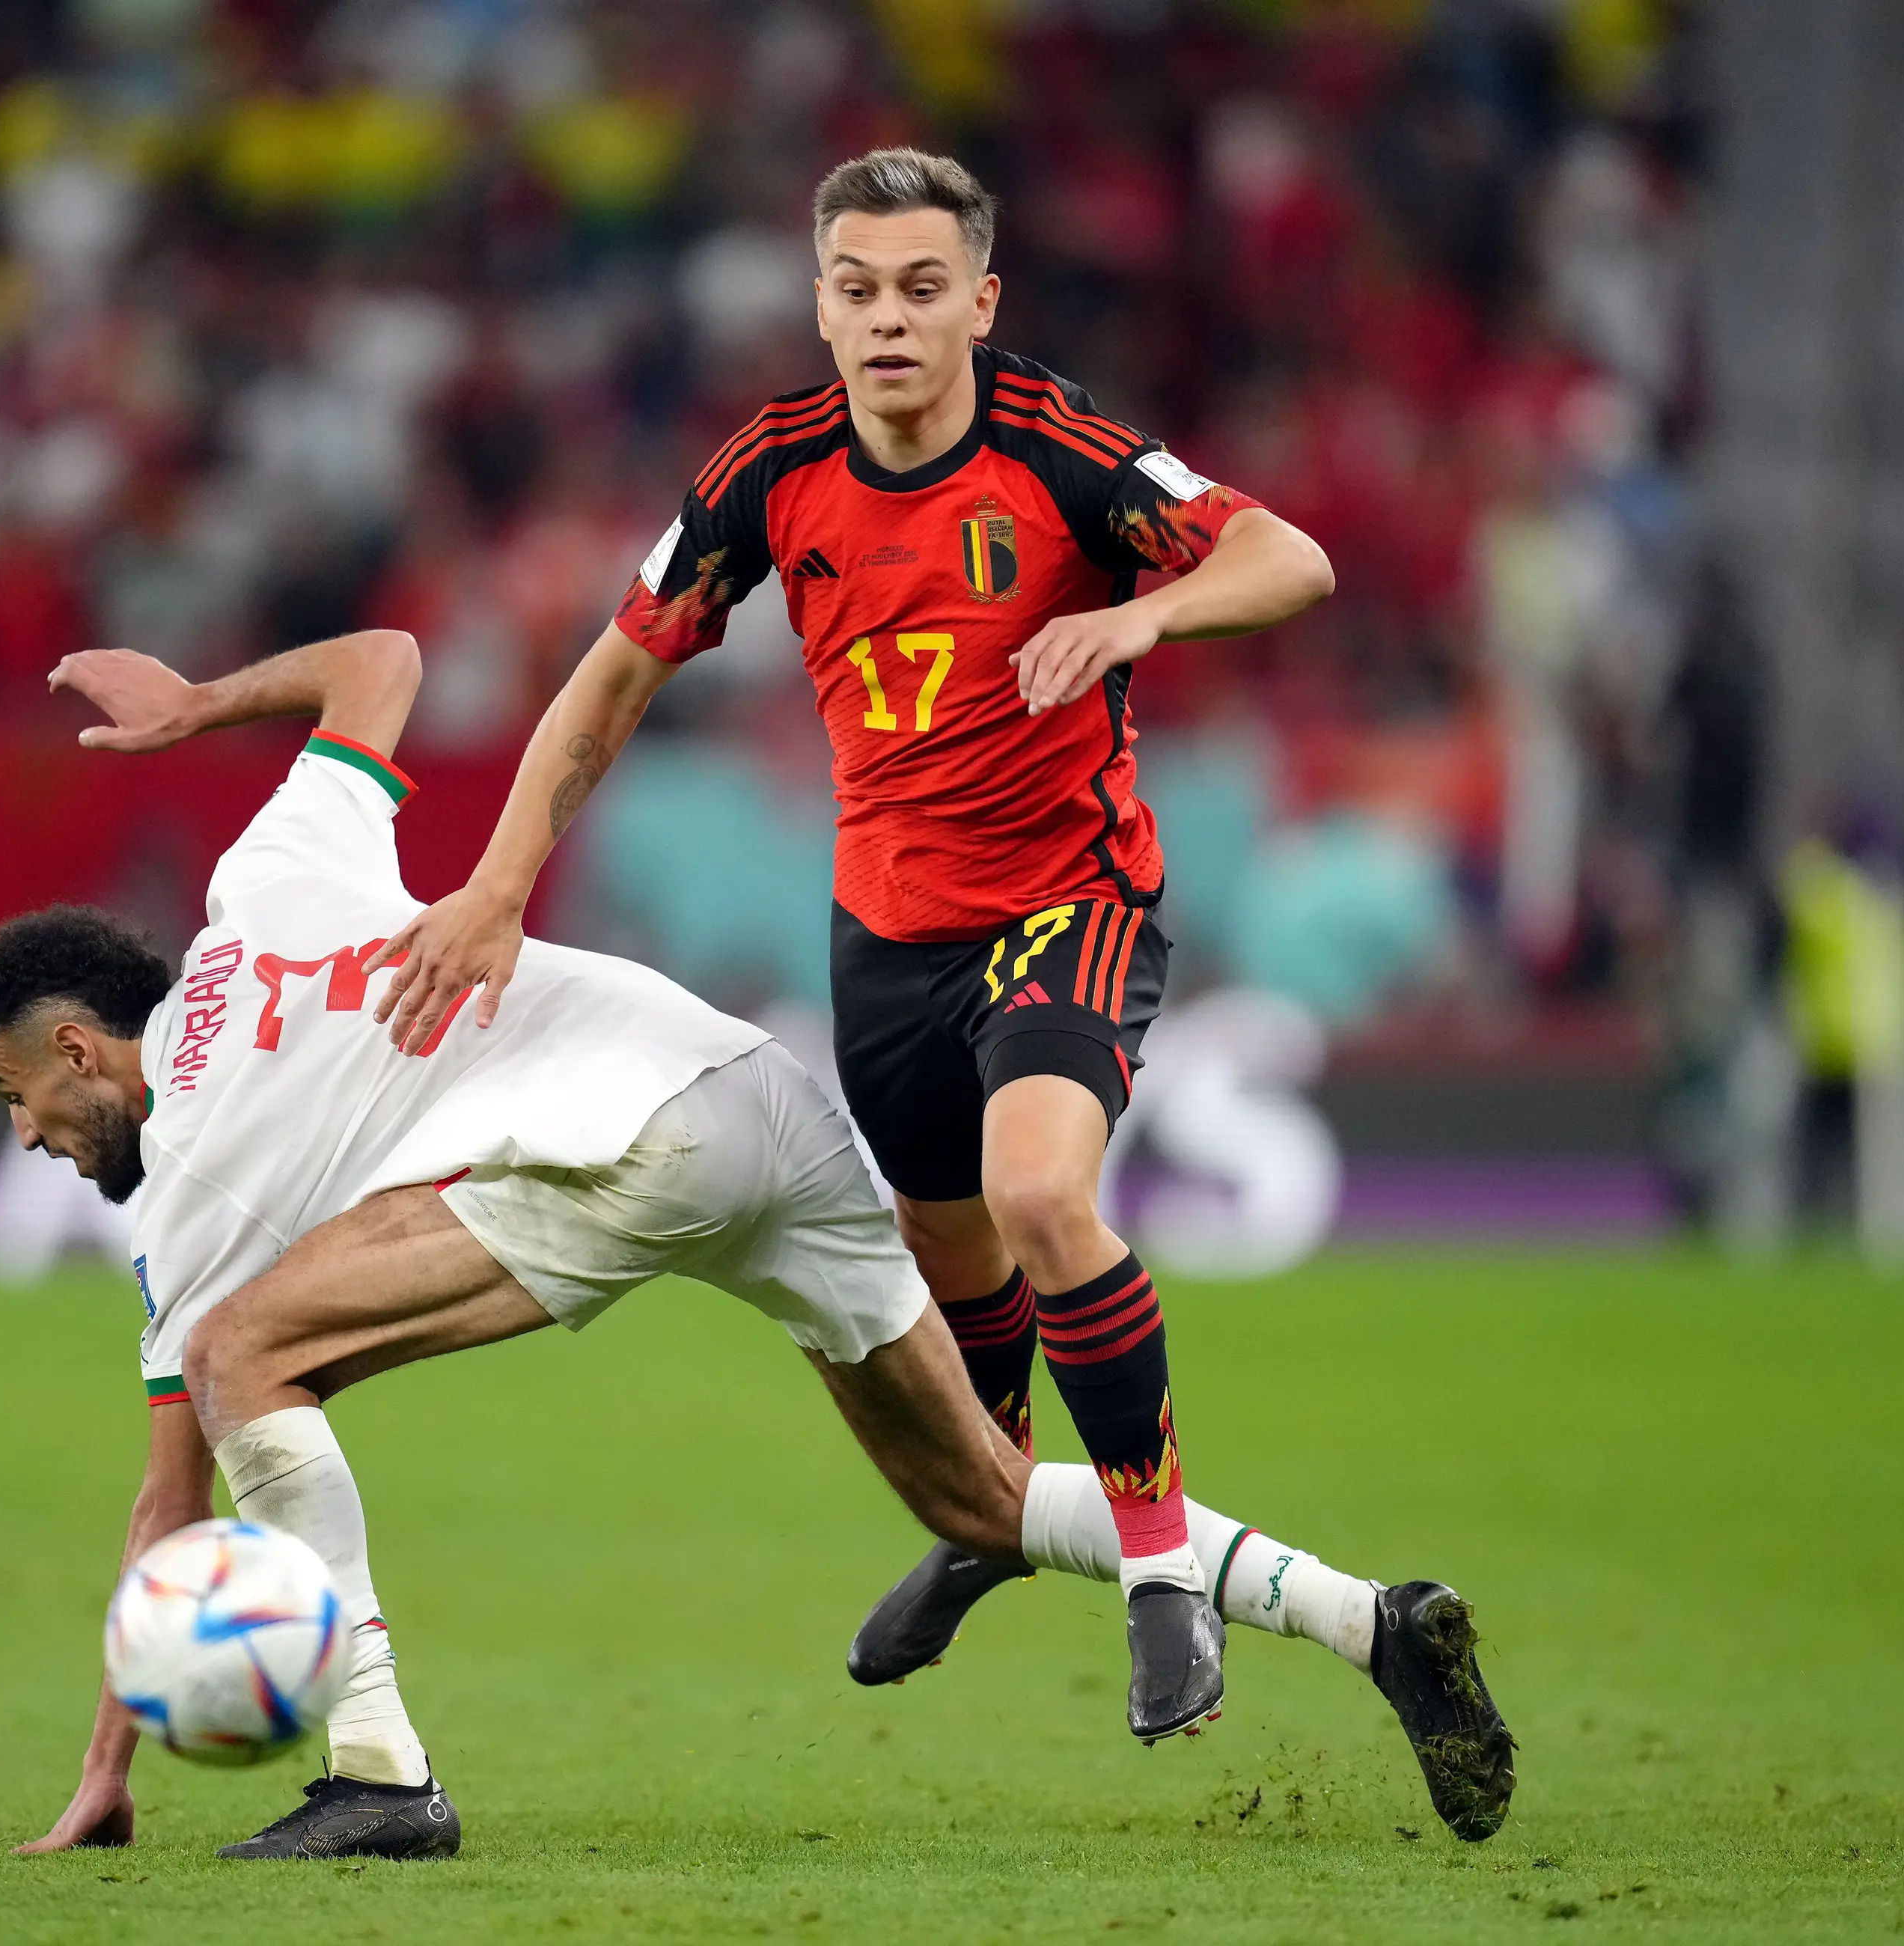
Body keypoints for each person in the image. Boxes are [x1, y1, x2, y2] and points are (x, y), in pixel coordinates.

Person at [0, 629, 1513, 1864]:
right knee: (970, 1489)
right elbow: (384, 664)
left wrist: (105, 1764)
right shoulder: (264, 883)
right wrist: (201, 706)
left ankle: (380, 1772)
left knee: (242, 1356)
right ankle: (1372, 1621)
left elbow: (173, 1500)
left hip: (617, 1143)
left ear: (83, 1048)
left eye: (20, 1100)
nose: (26, 1140)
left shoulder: (181, 1213)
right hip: (750, 1093)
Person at [374, 147, 1504, 1806]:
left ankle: (1159, 1571)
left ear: (980, 299)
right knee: (944, 1265)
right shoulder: (772, 469)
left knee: (1044, 1198)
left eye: (921, 289)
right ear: (820, 302)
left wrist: (1138, 622)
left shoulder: (1059, 446)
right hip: (887, 939)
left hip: (1070, 899)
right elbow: (616, 671)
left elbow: (1294, 559)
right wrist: (494, 880)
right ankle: (992, 1523)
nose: (888, 319)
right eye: (856, 289)